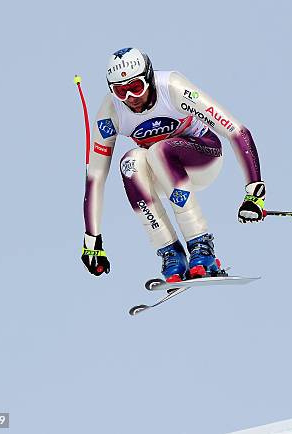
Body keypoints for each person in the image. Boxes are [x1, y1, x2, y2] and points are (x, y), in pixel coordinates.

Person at [81, 47, 265, 282]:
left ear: (149, 78)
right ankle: (171, 253)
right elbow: (95, 177)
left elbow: (237, 130)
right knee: (130, 162)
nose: (130, 98)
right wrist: (91, 240)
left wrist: (254, 192)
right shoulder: (110, 112)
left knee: (160, 149)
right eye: (120, 92)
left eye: (136, 88)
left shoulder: (172, 88)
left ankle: (202, 246)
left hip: (203, 158)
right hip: (164, 173)